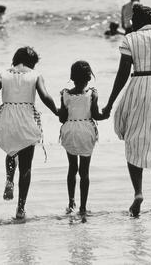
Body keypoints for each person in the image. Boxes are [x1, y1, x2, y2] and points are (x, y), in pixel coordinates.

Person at [103, 4, 151, 217]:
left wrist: (110, 104)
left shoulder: (130, 39)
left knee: (133, 140)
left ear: (138, 21)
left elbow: (122, 75)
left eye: (132, 19)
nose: (130, 23)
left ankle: (138, 193)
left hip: (138, 86)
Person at [0, 47, 59, 219]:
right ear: (32, 62)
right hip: (26, 119)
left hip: (7, 118)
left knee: (11, 151)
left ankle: (9, 180)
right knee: (26, 166)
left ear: (16, 59)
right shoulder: (36, 75)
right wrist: (58, 112)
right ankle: (20, 208)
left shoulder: (3, 74)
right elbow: (45, 96)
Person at [59, 61, 107, 215]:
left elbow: (62, 118)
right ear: (89, 77)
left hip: (70, 131)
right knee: (84, 171)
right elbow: (96, 115)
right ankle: (83, 207)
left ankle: (71, 202)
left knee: (72, 168)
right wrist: (107, 113)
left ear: (72, 78)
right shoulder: (92, 94)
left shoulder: (65, 94)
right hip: (86, 131)